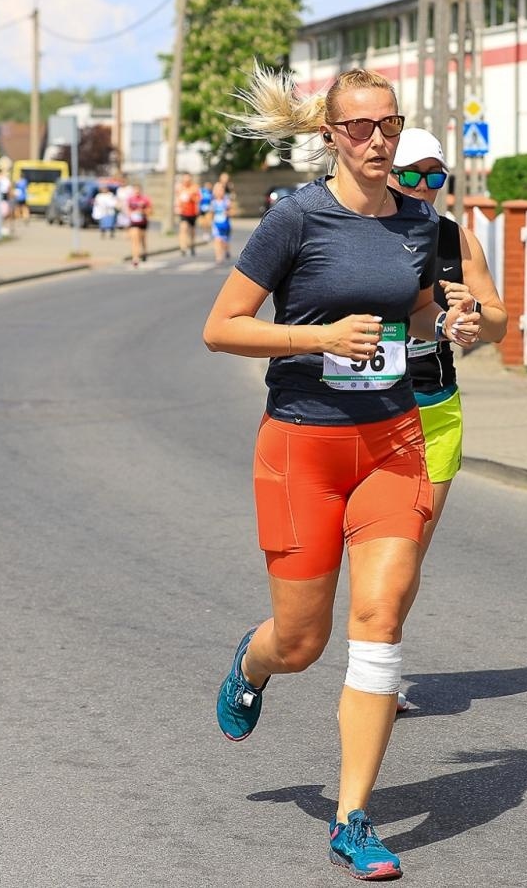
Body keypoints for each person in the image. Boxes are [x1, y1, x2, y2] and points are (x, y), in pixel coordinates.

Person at [202, 66, 480, 882]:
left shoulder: (419, 223)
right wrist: (318, 340)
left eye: (388, 126)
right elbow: (222, 328)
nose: (377, 141)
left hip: (394, 440)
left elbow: (419, 310)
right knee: (301, 641)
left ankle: (352, 818)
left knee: (383, 615)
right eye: (359, 128)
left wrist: (453, 319)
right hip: (303, 447)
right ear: (330, 136)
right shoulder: (295, 220)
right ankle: (251, 666)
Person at [386, 128, 507, 713]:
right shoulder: (354, 232)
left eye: (436, 177)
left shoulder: (457, 240)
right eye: (412, 175)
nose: (424, 188)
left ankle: (380, 669)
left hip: (433, 405)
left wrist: (472, 313)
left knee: (406, 551)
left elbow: (501, 322)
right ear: (385, 170)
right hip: (365, 408)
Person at [125, 182, 152, 268]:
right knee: (135, 240)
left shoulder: (145, 199)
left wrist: (143, 212)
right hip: (133, 223)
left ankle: (144, 252)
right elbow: (127, 209)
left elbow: (150, 210)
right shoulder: (130, 199)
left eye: (138, 190)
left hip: (143, 222)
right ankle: (135, 258)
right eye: (135, 190)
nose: (137, 192)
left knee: (142, 239)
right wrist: (131, 213)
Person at [209, 175, 234, 264]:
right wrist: (210, 222)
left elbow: (232, 212)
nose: (219, 192)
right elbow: (211, 213)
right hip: (216, 224)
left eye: (221, 190)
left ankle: (226, 250)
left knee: (224, 241)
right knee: (217, 240)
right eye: (217, 190)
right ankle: (218, 257)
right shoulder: (213, 202)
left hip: (226, 224)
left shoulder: (226, 201)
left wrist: (228, 213)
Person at [176, 173, 201, 256]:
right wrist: (177, 207)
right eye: (185, 180)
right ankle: (183, 247)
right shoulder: (180, 188)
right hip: (183, 213)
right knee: (183, 228)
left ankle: (192, 245)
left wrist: (191, 197)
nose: (186, 182)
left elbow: (198, 199)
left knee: (192, 231)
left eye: (188, 180)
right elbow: (178, 199)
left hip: (192, 213)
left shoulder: (194, 188)